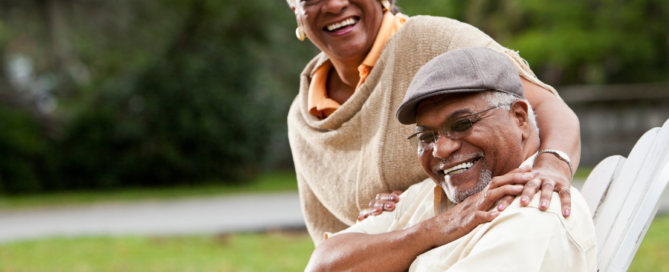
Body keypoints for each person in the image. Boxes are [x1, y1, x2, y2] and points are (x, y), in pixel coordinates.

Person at [287, 0, 581, 244]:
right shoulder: (302, 117)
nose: (336, 4)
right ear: (295, 11)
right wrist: (379, 228)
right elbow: (328, 241)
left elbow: (543, 105)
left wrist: (552, 166)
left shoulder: (432, 39)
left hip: (481, 244)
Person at [306, 47, 596, 272]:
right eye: (427, 136)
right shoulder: (431, 195)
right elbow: (322, 264)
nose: (441, 149)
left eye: (462, 124)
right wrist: (438, 228)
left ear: (519, 118)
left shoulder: (533, 212)